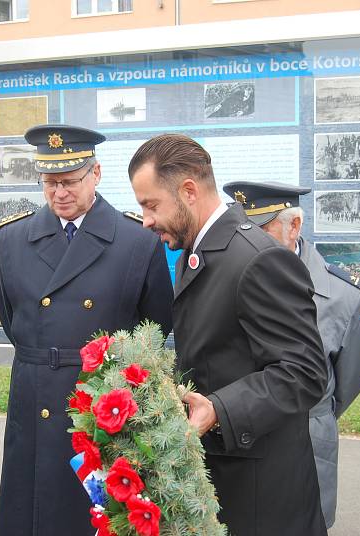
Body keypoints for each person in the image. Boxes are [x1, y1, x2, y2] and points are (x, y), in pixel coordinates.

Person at [128, 134, 327, 535]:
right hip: (224, 482)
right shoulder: (195, 251)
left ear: (188, 191)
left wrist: (219, 408)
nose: (147, 220)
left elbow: (304, 372)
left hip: (261, 498)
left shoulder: (258, 258)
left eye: (151, 205)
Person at [0, 124, 174, 536]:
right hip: (35, 400)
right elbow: (16, 320)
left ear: (95, 173)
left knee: (95, 520)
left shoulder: (136, 241)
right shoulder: (12, 239)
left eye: (70, 181)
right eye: (50, 182)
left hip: (101, 408)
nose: (60, 193)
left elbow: (155, 327)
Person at [224, 180, 360, 528]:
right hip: (241, 433)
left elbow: (348, 380)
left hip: (306, 436)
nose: (248, 239)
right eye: (242, 228)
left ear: (294, 226)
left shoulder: (342, 294)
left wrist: (312, 412)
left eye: (260, 229)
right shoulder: (228, 276)